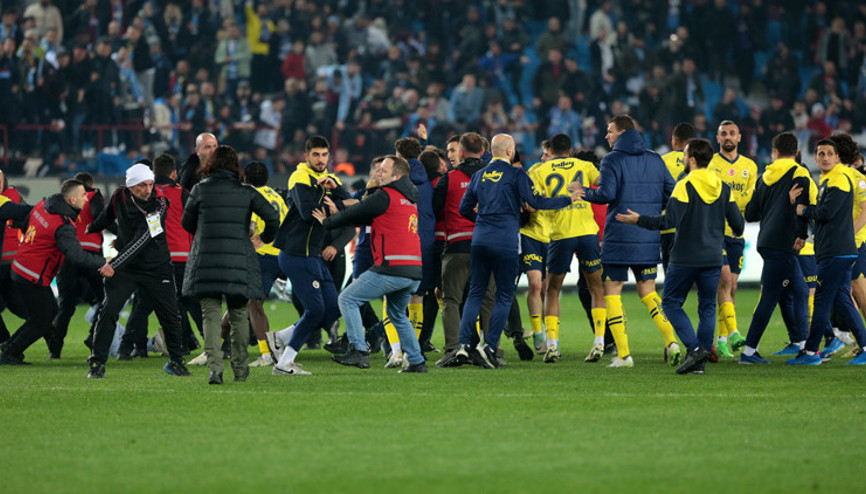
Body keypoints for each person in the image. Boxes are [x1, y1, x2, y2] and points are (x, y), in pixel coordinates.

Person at [618, 138, 744, 374]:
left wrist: (638, 220)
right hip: (713, 258)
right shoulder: (723, 187)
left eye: (685, 155)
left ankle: (695, 349)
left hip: (685, 257)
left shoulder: (685, 185)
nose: (683, 159)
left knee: (670, 302)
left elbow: (668, 221)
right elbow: (738, 225)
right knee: (707, 307)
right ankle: (700, 365)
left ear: (693, 159)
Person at [452, 134, 577, 368]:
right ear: (509, 152)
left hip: (479, 240)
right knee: (504, 295)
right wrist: (566, 200)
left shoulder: (479, 175)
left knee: (475, 293)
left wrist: (480, 220)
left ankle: (463, 346)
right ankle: (489, 346)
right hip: (505, 241)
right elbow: (536, 202)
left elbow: (463, 208)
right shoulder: (516, 174)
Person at [576, 115, 679, 368]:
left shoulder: (612, 159)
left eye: (609, 131)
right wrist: (651, 213)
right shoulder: (655, 159)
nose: (606, 136)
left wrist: (583, 191)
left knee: (612, 292)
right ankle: (672, 342)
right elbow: (672, 194)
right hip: (647, 234)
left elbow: (607, 194)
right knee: (649, 292)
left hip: (620, 236)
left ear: (621, 132)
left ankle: (624, 355)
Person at [315, 155, 428, 372]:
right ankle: (416, 360)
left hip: (391, 266)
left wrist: (327, 222)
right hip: (413, 270)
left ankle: (358, 350)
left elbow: (356, 210)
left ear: (397, 176)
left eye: (383, 171)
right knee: (396, 313)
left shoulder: (385, 195)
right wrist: (339, 196)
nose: (378, 173)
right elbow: (362, 214)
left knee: (347, 298)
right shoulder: (409, 197)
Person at [182, 146, 279, 384]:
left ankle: (215, 368)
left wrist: (205, 231)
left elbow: (187, 223)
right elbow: (273, 217)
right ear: (236, 165)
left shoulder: (199, 189)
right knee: (238, 315)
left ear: (210, 164)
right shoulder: (246, 192)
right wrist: (262, 238)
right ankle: (240, 369)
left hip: (206, 260)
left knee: (211, 315)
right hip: (239, 260)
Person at [86, 164, 191, 379]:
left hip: (156, 268)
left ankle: (176, 362)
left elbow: (143, 239)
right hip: (128, 268)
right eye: (142, 185)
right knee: (108, 312)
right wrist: (93, 228)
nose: (148, 189)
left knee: (171, 317)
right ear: (130, 186)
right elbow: (107, 216)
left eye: (151, 184)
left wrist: (114, 264)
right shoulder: (119, 196)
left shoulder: (159, 204)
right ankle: (97, 364)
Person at [0, 180, 109, 366]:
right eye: (83, 195)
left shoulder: (44, 205)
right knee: (42, 320)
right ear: (72, 199)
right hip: (31, 275)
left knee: (49, 312)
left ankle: (11, 347)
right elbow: (77, 256)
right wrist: (103, 262)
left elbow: (25, 220)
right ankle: (10, 352)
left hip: (23, 268)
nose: (86, 199)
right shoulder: (62, 224)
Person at [266, 135, 350, 376]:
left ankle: (281, 337)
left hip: (312, 255)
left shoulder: (329, 179)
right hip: (295, 254)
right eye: (316, 154)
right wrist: (330, 203)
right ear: (306, 156)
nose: (321, 159)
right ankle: (284, 364)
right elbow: (305, 212)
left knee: (334, 307)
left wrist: (337, 199)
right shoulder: (300, 176)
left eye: (324, 155)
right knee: (314, 310)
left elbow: (349, 203)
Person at [788, 139, 866, 365]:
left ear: (837, 157)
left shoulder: (839, 179)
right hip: (838, 250)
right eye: (820, 153)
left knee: (821, 300)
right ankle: (864, 345)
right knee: (842, 299)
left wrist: (803, 209)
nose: (824, 157)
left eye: (829, 153)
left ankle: (811, 352)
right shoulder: (829, 179)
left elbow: (827, 212)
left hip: (836, 251)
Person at [531, 133, 606, 363]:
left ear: (550, 151)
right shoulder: (585, 165)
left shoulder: (540, 171)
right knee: (596, 288)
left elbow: (533, 202)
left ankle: (552, 344)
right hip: (587, 232)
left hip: (560, 234)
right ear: (571, 150)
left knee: (552, 289)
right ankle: (600, 343)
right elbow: (604, 185)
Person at [431, 132, 496, 367]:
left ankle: (453, 350)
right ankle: (492, 350)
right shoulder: (493, 177)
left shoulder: (449, 179)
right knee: (488, 299)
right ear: (482, 151)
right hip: (488, 245)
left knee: (451, 300)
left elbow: (435, 209)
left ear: (460, 152)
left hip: (457, 245)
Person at [707, 120, 758, 354]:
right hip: (715, 233)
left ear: (739, 138)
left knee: (731, 286)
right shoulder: (710, 164)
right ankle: (724, 336)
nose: (728, 137)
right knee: (724, 281)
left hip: (737, 233)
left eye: (732, 134)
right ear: (717, 138)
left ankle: (723, 338)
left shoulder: (750, 166)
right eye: (723, 134)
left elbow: (749, 200)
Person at [51, 172, 107, 359]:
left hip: (69, 256)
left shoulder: (64, 203)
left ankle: (55, 349)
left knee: (66, 305)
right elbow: (101, 218)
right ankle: (94, 335)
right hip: (91, 255)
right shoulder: (95, 196)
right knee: (105, 299)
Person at [243, 161, 288, 367]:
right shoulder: (276, 196)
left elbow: (251, 229)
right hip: (282, 255)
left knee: (253, 302)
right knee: (245, 300)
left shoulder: (252, 197)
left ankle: (267, 354)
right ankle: (217, 344)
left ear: (245, 179)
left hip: (263, 256)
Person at [520, 139, 553, 355]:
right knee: (535, 285)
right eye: (542, 154)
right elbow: (527, 202)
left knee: (548, 290)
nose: (542, 159)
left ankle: (552, 335)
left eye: (546, 155)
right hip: (531, 235)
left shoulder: (567, 176)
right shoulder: (533, 171)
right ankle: (538, 334)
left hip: (553, 237)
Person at [660, 123, 695, 272]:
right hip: (692, 226)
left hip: (667, 225)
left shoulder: (661, 161)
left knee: (671, 274)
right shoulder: (698, 163)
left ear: (674, 140)